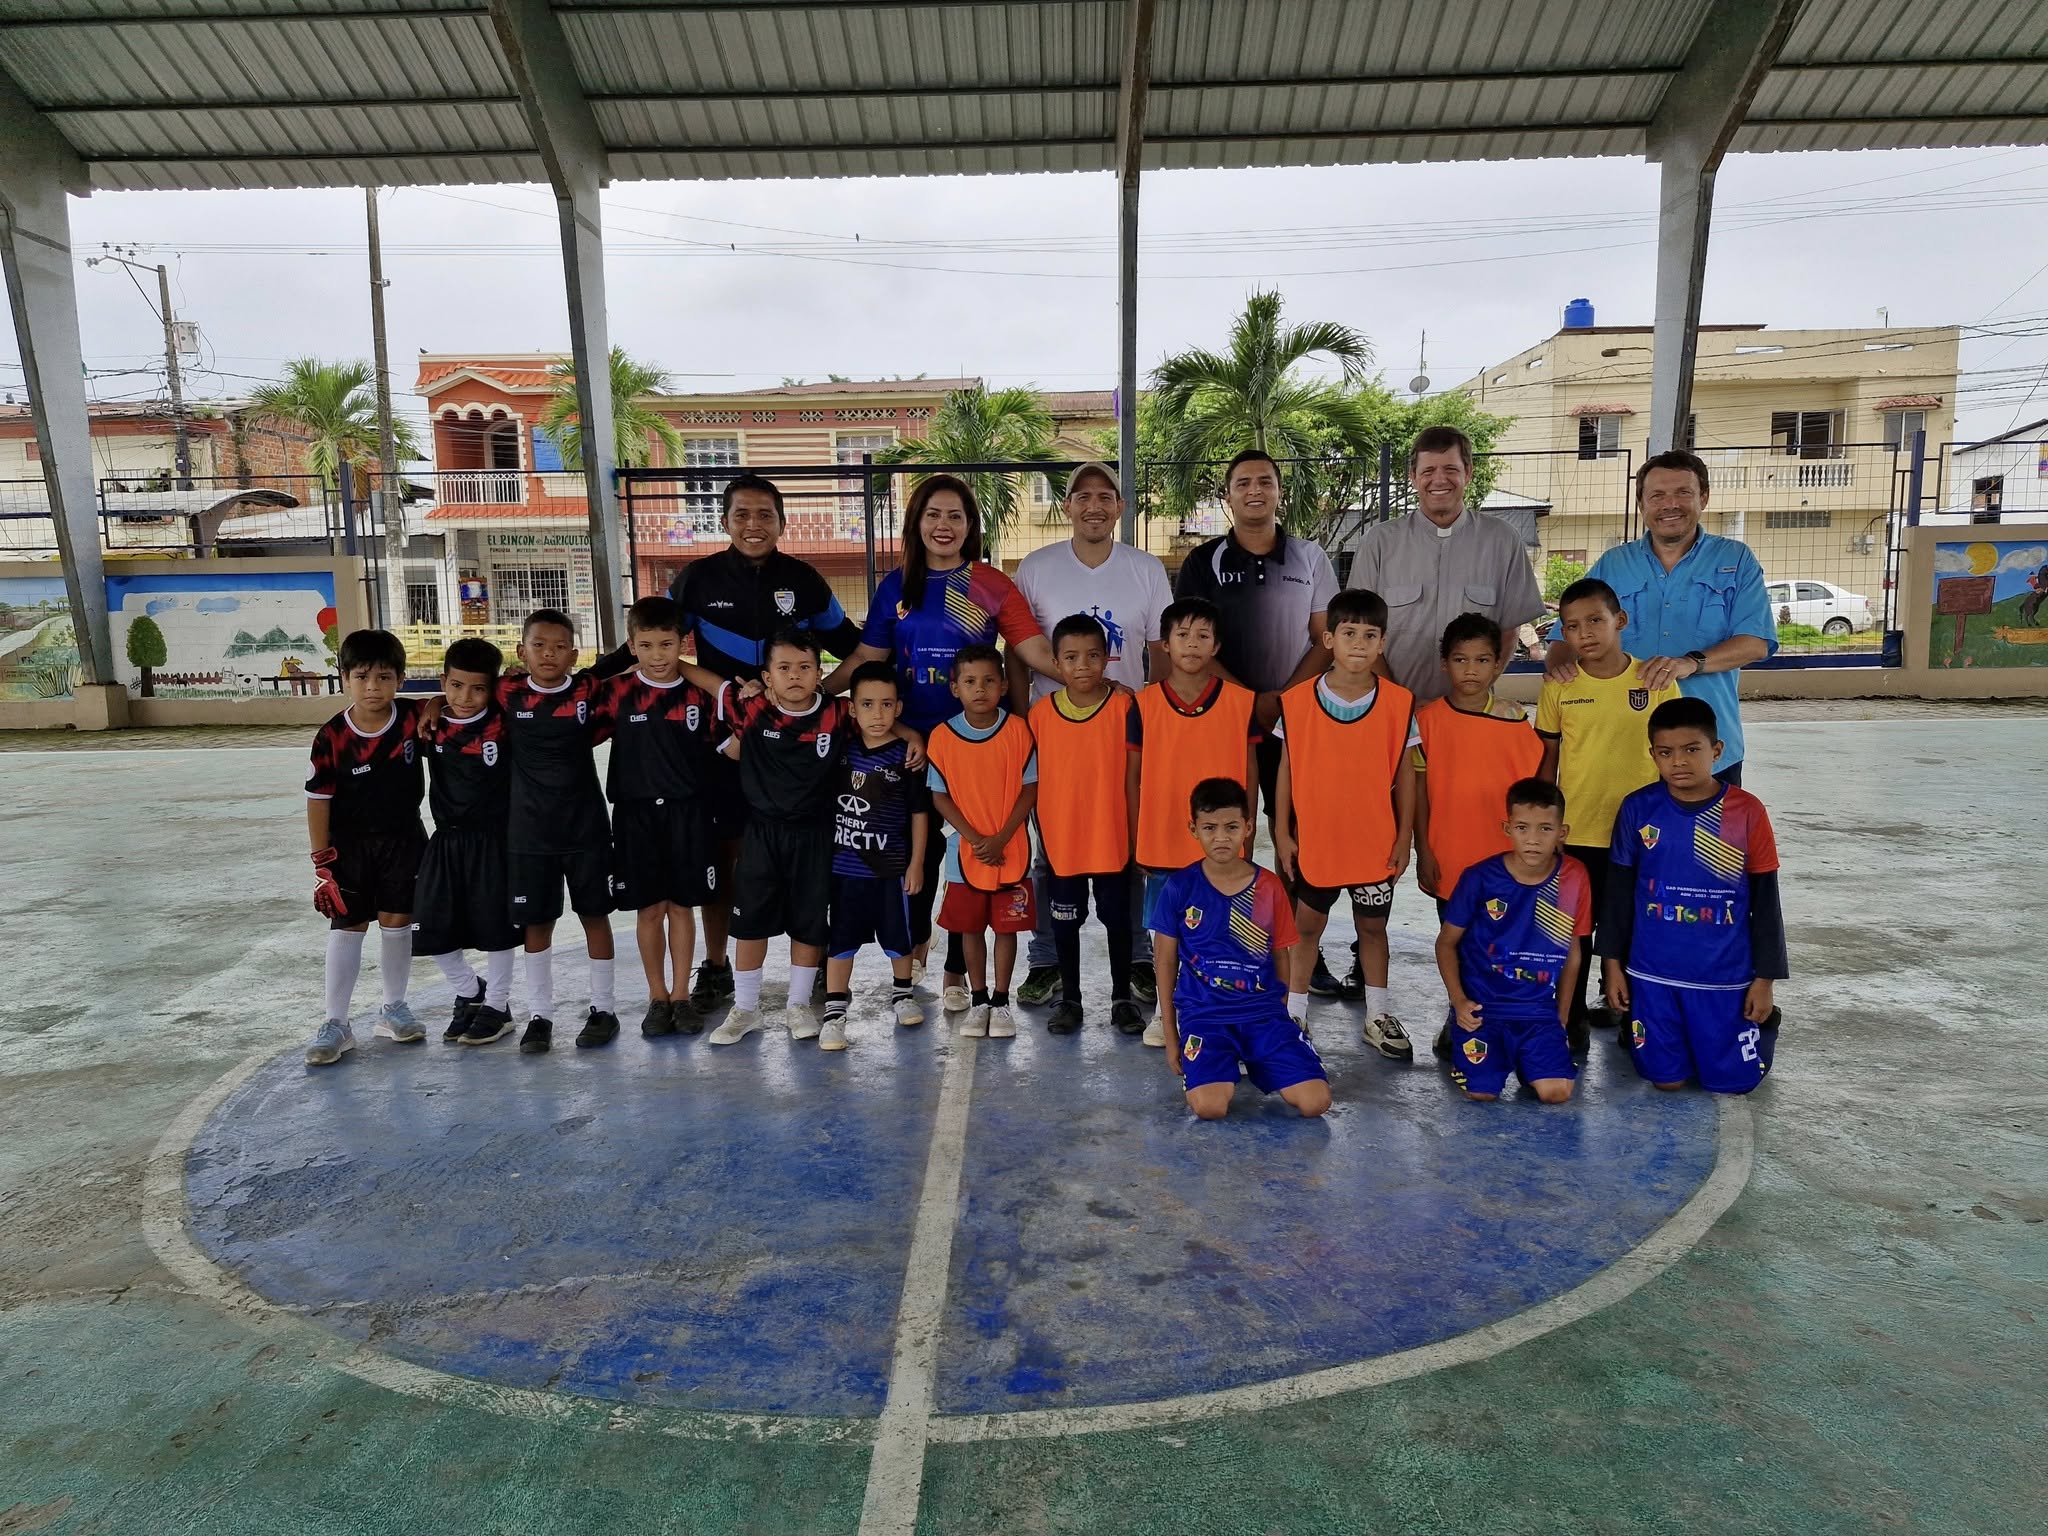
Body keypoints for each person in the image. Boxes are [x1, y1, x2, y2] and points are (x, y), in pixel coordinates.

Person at [646, 473, 866, 1015]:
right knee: (727, 857)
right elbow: (654, 643)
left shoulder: (805, 581)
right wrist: (588, 682)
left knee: (810, 856)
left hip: (796, 756)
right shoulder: (697, 579)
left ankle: (814, 963)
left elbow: (855, 647)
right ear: (724, 521)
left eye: (765, 514)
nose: (753, 524)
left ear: (782, 522)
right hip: (729, 744)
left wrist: (826, 693)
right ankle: (717, 964)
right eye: (741, 514)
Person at [828, 474, 1058, 992]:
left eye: (956, 515)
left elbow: (1034, 650)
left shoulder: (991, 584)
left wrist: (1089, 680)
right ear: (917, 522)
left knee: (971, 855)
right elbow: (867, 657)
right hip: (912, 745)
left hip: (978, 747)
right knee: (921, 856)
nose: (944, 525)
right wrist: (814, 694)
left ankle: (957, 967)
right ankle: (913, 953)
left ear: (970, 525)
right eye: (933, 514)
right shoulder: (896, 586)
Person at [1008, 461, 1172, 1009]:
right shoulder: (1037, 567)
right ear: (1068, 506)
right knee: (1050, 851)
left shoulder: (1145, 569)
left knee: (1128, 846)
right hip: (1056, 735)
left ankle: (1138, 959)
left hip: (1123, 736)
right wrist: (1021, 719)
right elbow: (1018, 650)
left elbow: (1159, 652)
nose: (1094, 506)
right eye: (1083, 496)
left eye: (1106, 496)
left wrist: (1156, 720)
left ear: (1120, 507)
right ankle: (1046, 960)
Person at [1555, 450, 1777, 785]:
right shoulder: (1613, 564)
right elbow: (1564, 637)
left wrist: (1690, 663)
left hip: (1707, 750)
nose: (1670, 505)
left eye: (1683, 493)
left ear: (1703, 497)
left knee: (1706, 823)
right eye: (1657, 495)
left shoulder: (1735, 559)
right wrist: (1560, 670)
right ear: (1642, 504)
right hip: (1621, 746)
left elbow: (1756, 642)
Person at [1601, 699, 1787, 1094]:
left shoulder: (1746, 811)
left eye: (1691, 749)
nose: (1679, 762)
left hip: (1723, 977)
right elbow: (1617, 895)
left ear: (1716, 751)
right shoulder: (1638, 808)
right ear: (1653, 754)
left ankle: (1763, 1026)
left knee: (1732, 1083)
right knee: (1665, 1082)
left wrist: (1764, 980)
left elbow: (1766, 903)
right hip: (1652, 974)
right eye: (1665, 752)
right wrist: (1612, 965)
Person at [1270, 588, 1419, 1061]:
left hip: (1374, 841)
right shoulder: (1297, 701)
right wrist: (1282, 832)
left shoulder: (1399, 702)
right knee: (1306, 928)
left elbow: (1406, 774)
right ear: (1329, 639)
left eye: (1370, 635)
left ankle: (1377, 1014)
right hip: (1318, 840)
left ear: (1383, 643)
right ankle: (1295, 1013)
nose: (1359, 643)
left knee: (1373, 930)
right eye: (1349, 632)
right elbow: (1286, 768)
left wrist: (1404, 836)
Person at [1536, 578, 1681, 1050]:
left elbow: (1675, 757)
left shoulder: (1655, 681)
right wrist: (1547, 826)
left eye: (1595, 621)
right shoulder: (1559, 687)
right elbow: (1548, 760)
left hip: (1643, 838)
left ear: (1620, 620)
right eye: (1572, 626)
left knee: (1638, 930)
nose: (1585, 633)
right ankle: (1569, 1020)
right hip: (1579, 832)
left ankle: (1635, 1021)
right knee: (1576, 933)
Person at [1150, 777, 1331, 1122]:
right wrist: (1172, 1038)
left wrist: (1279, 1014)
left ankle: (1260, 1059)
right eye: (1210, 828)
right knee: (1210, 1107)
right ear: (1193, 829)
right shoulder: (1179, 887)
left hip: (1262, 1015)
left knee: (1315, 1102)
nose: (1221, 837)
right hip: (1205, 1017)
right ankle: (1220, 1064)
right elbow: (1165, 962)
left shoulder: (1269, 887)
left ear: (1248, 828)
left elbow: (1281, 955)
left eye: (1231, 827)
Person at [1125, 597, 1262, 1047]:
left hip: (1220, 840)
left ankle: (1217, 1011)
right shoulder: (1144, 704)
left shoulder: (1241, 702)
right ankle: (1165, 1012)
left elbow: (1251, 768)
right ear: (1164, 644)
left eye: (1203, 635)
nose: (1192, 643)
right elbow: (1133, 776)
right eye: (1182, 635)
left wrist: (1248, 824)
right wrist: (1136, 833)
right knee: (1167, 935)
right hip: (1164, 837)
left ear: (1216, 645)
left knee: (1223, 931)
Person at [708, 630, 852, 1046]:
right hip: (762, 833)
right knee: (750, 922)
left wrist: (912, 738)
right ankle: (746, 1009)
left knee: (809, 922)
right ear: (767, 677)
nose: (794, 676)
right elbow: (711, 684)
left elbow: (885, 722)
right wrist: (675, 663)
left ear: (819, 673)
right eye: (784, 668)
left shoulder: (839, 714)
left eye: (804, 667)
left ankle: (798, 1005)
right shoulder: (753, 710)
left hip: (815, 834)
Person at [591, 597, 723, 1041]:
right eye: (645, 646)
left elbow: (729, 733)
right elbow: (569, 722)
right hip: (636, 815)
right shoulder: (615, 693)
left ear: (682, 643)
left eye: (666, 644)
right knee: (649, 909)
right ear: (631, 646)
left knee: (682, 906)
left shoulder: (699, 695)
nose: (657, 655)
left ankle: (682, 996)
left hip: (689, 813)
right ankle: (657, 997)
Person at [495, 609, 621, 1055]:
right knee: (537, 924)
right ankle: (540, 1016)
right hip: (529, 833)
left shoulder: (590, 690)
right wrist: (434, 704)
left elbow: (631, 669)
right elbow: (456, 698)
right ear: (521, 651)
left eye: (559, 647)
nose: (548, 654)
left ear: (574, 654)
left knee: (595, 917)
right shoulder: (505, 691)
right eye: (539, 645)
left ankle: (604, 1010)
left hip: (586, 828)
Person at [1346, 424, 1546, 703]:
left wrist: (1470, 698)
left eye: (1451, 469)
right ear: (1413, 477)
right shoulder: (1379, 542)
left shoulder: (1502, 540)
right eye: (1428, 471)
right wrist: (1398, 702)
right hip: (1391, 709)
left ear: (1468, 473)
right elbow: (1360, 631)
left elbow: (1509, 630)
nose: (1439, 480)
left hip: (1469, 711)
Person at [302, 629, 425, 1065]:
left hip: (404, 840)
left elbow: (450, 704)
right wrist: (322, 863)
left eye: (384, 677)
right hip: (349, 848)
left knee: (397, 922)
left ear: (401, 680)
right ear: (344, 679)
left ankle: (393, 1009)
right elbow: (318, 800)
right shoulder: (332, 736)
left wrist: (438, 704)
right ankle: (336, 1022)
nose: (373, 686)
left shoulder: (413, 719)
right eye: (362, 676)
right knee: (348, 926)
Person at [1434, 779, 1589, 1104]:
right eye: (1522, 827)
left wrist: (1561, 1019)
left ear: (1562, 833)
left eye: (1545, 829)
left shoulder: (1574, 877)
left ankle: (1529, 1059)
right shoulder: (1479, 877)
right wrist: (1459, 1001)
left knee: (1557, 1092)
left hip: (1538, 1010)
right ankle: (1480, 1054)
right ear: (1507, 829)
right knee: (1482, 1092)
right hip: (1484, 1008)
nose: (1533, 839)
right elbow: (1446, 943)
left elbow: (1573, 953)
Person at [1028, 614, 1142, 1037]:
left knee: (1118, 920)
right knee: (1065, 922)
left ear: (1107, 659)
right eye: (1072, 657)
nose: (1082, 666)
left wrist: (1138, 834)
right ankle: (1071, 998)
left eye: (1093, 656)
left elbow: (1138, 774)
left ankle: (1122, 998)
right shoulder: (1040, 715)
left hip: (1112, 840)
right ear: (1056, 663)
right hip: (1063, 843)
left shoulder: (1126, 708)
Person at [925, 644, 1039, 1039]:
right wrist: (975, 840)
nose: (980, 689)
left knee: (1006, 928)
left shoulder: (1018, 731)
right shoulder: (942, 737)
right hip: (964, 854)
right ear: (954, 688)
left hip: (1012, 850)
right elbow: (940, 796)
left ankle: (1001, 1001)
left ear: (1003, 686)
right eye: (970, 681)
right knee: (970, 928)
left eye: (989, 680)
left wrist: (1002, 837)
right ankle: (978, 999)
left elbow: (1030, 787)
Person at [413, 637, 520, 1047]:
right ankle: (470, 991)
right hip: (446, 841)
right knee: (431, 927)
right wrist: (433, 703)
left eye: (478, 688)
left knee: (498, 929)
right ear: (444, 682)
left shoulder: (504, 722)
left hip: (494, 841)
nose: (465, 697)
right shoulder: (430, 725)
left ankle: (497, 1006)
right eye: (455, 686)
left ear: (492, 689)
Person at [824, 661, 931, 1051]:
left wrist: (916, 864)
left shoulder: (906, 757)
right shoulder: (839, 748)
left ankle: (902, 994)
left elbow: (919, 814)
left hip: (891, 869)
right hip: (844, 869)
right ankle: (834, 1013)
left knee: (898, 937)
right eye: (867, 704)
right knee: (841, 941)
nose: (877, 714)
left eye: (887, 704)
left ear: (898, 708)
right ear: (852, 708)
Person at [1413, 613, 1544, 913]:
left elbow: (1532, 787)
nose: (1471, 670)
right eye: (1460, 660)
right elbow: (1419, 793)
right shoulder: (1426, 722)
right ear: (1445, 663)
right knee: (1454, 931)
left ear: (1497, 664)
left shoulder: (1513, 718)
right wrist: (1423, 850)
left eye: (1482, 660)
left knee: (1503, 932)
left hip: (1506, 850)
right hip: (1448, 851)